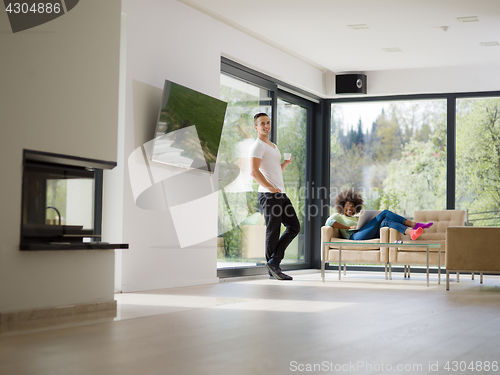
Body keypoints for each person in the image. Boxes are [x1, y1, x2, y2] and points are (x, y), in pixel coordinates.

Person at [249, 112, 300, 280]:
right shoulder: (257, 146)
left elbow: (274, 170)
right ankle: (273, 267)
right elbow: (254, 171)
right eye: (262, 123)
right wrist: (269, 187)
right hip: (269, 194)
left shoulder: (272, 146)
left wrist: (284, 164)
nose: (266, 126)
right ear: (256, 127)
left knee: (294, 226)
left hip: (279, 193)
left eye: (268, 122)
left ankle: (274, 262)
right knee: (274, 230)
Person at [325, 189, 433, 241]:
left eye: (353, 206)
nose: (350, 208)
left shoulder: (357, 216)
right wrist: (349, 227)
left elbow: (368, 224)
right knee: (385, 212)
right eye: (347, 205)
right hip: (354, 237)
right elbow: (329, 222)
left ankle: (412, 232)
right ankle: (414, 224)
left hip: (366, 233)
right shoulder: (338, 216)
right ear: (342, 205)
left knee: (386, 221)